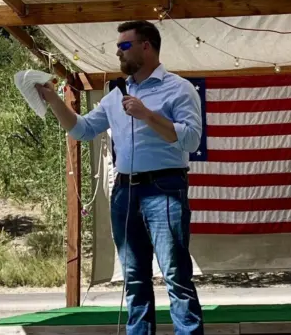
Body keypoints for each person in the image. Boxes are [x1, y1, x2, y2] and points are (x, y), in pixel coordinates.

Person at [36, 20, 204, 335]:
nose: (118, 53)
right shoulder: (116, 95)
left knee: (175, 275)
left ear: (146, 46)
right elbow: (83, 129)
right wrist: (53, 100)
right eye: (118, 47)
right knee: (134, 278)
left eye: (124, 46)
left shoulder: (178, 88)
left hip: (165, 188)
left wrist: (148, 115)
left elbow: (192, 140)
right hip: (125, 191)